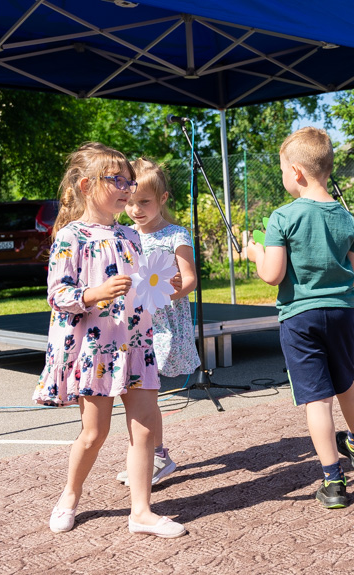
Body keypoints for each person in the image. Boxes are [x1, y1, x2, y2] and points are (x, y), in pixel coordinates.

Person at [34, 142, 185, 537]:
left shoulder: (131, 236)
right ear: (86, 185)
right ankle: (69, 493)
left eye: (128, 180)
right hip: (98, 349)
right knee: (94, 433)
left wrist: (162, 286)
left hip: (136, 344)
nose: (126, 187)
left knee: (146, 428)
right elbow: (57, 293)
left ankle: (141, 511)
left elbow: (139, 287)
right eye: (115, 179)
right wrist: (94, 293)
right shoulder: (72, 236)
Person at [245, 127, 354, 509]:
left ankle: (334, 482)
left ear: (297, 172)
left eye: (283, 169)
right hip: (341, 313)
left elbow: (272, 275)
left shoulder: (282, 217)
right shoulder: (346, 217)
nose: (284, 176)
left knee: (317, 400)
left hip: (300, 318)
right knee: (346, 380)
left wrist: (254, 254)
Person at [115, 157, 200, 486]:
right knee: (140, 393)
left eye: (145, 202)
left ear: (163, 199)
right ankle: (149, 455)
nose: (136, 210)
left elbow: (190, 280)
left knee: (144, 394)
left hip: (163, 326)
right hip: (135, 326)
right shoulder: (124, 234)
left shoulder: (175, 234)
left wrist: (163, 295)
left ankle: (155, 455)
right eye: (131, 203)